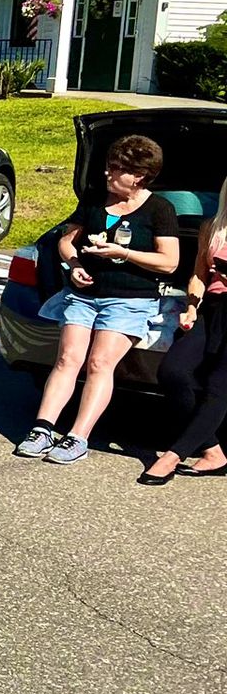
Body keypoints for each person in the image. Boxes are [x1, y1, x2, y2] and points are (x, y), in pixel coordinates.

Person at [16, 135, 182, 465]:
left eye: (116, 169)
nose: (108, 174)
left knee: (99, 363)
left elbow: (170, 262)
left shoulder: (159, 210)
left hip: (130, 300)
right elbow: (66, 242)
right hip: (84, 295)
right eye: (108, 166)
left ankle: (78, 436)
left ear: (139, 175)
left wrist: (125, 253)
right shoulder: (94, 200)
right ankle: (42, 427)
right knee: (67, 359)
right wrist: (74, 265)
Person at [140, 178, 227, 484]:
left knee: (218, 386)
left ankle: (172, 456)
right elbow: (199, 275)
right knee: (173, 372)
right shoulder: (213, 227)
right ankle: (213, 449)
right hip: (213, 310)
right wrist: (192, 307)